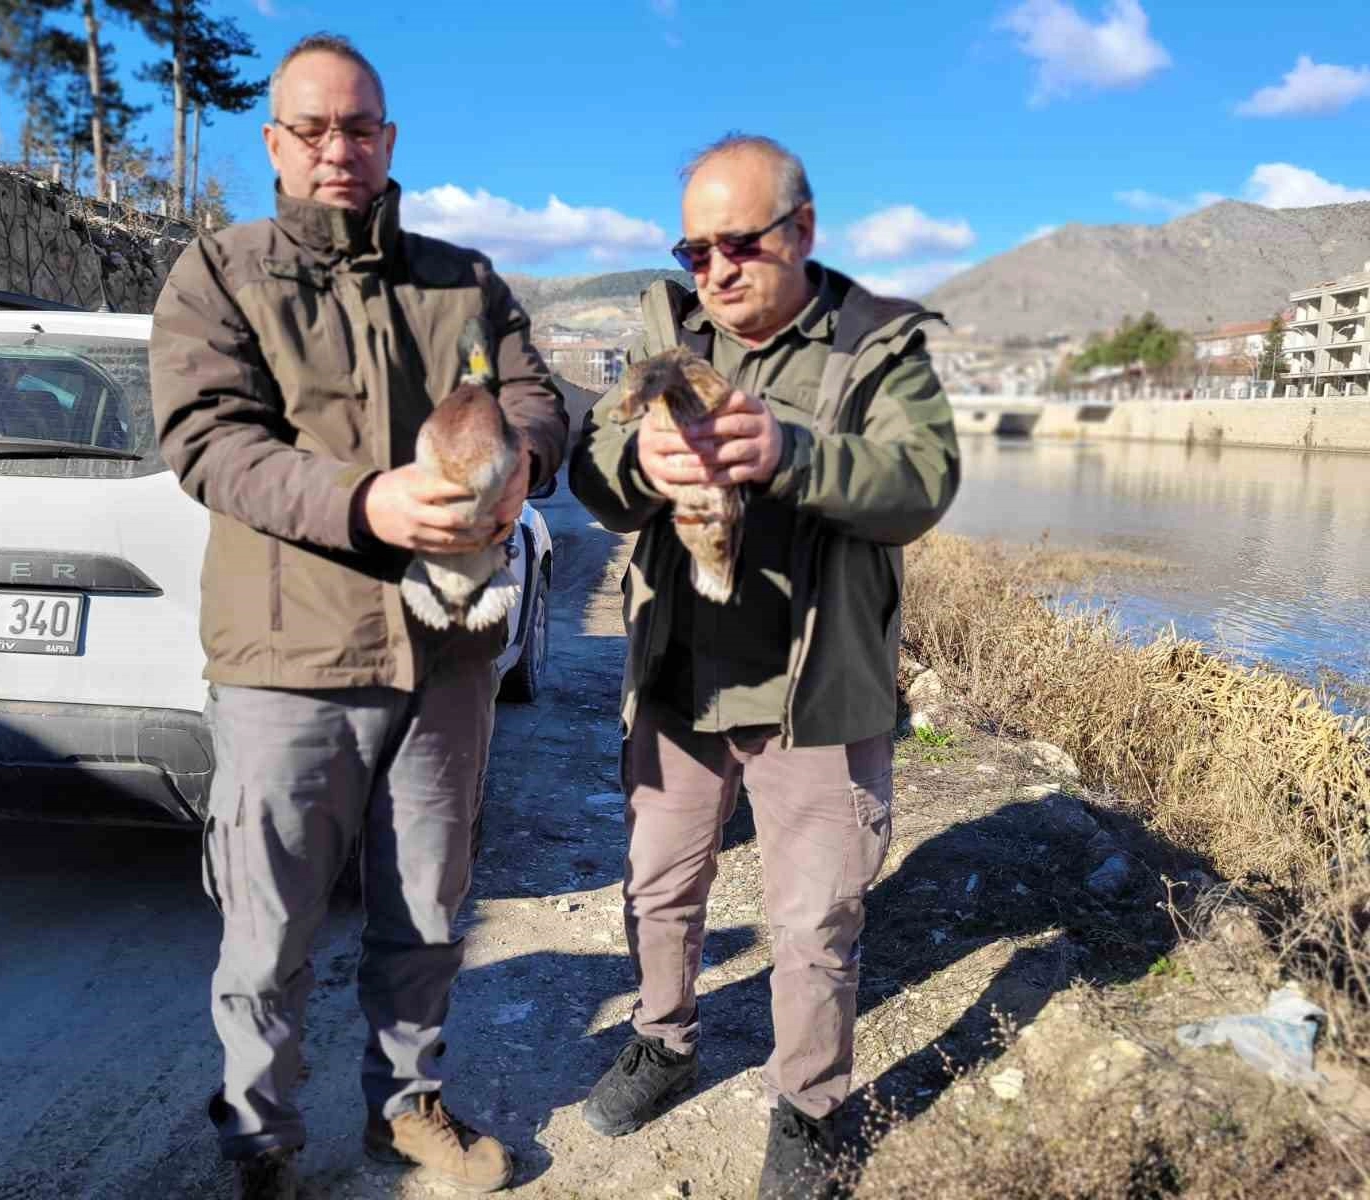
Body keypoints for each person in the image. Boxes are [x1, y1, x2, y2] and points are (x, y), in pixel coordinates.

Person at [149, 33, 566, 1200]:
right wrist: (364, 502)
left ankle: (405, 1109)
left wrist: (524, 461)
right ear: (274, 142)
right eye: (313, 127)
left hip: (446, 658)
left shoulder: (464, 281)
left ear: (388, 139)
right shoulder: (218, 275)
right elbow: (206, 440)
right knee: (268, 925)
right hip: (288, 659)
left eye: (359, 126)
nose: (338, 146)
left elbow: (536, 396)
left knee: (427, 908)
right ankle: (260, 1133)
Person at [568, 134, 960, 1199]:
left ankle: (812, 1106)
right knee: (657, 885)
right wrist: (636, 463)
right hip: (677, 680)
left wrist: (791, 455)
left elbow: (921, 480)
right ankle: (662, 1041)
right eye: (694, 251)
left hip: (817, 693)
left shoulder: (874, 345)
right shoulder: (668, 337)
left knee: (815, 918)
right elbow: (592, 473)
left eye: (737, 244)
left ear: (803, 230)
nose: (716, 271)